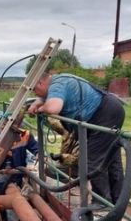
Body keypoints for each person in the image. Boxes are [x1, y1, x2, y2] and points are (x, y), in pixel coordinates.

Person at [28, 72, 125, 205]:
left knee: (92, 160)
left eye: (35, 90)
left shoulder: (57, 85)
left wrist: (40, 109)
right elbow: (45, 97)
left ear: (40, 82)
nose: (35, 94)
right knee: (112, 159)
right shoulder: (59, 80)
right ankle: (118, 203)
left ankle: (102, 202)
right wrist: (38, 101)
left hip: (103, 115)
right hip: (109, 110)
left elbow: (53, 107)